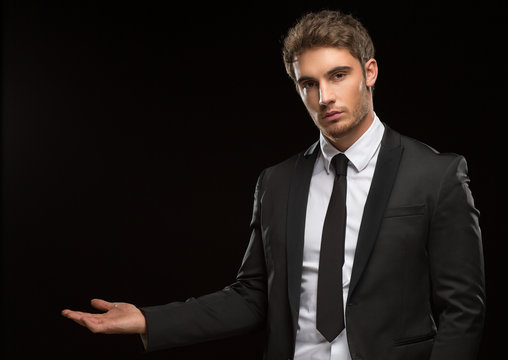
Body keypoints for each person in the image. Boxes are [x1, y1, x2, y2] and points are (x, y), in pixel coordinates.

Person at [62, 10, 485, 360]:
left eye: (338, 75)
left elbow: (463, 310)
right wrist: (148, 320)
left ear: (369, 72)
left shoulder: (435, 175)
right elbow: (252, 296)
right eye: (309, 83)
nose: (325, 97)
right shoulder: (277, 183)